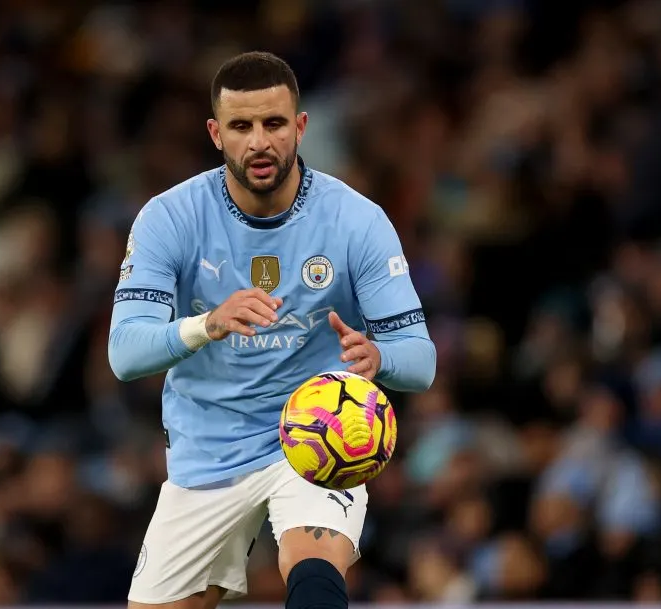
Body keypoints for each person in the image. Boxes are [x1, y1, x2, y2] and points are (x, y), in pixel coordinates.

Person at [108, 51, 436, 609]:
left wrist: (377, 357)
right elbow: (125, 354)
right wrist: (207, 324)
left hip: (315, 434)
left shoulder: (355, 220)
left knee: (312, 560)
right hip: (207, 448)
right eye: (241, 126)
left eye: (274, 123)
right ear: (215, 133)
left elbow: (420, 361)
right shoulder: (170, 218)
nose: (259, 141)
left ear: (300, 126)